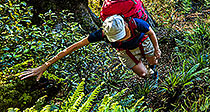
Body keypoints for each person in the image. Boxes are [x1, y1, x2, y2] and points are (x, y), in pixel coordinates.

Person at [20, 15, 161, 81]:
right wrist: (45, 65)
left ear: (125, 26)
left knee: (153, 62)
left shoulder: (136, 23)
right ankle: (150, 77)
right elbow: (72, 47)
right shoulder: (101, 34)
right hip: (125, 52)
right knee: (143, 74)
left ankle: (154, 70)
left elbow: (151, 33)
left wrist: (157, 48)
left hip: (142, 43)